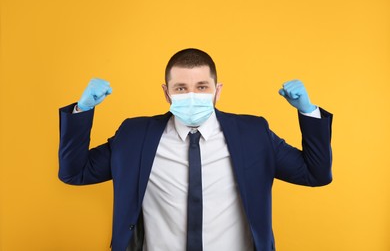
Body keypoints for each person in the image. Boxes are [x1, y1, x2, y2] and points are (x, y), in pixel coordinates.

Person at [58, 48, 333, 251]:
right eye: (181, 88)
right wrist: (83, 109)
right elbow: (75, 173)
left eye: (202, 87)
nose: (192, 95)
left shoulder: (253, 134)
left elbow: (315, 173)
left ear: (217, 90)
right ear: (167, 94)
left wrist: (308, 112)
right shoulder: (135, 135)